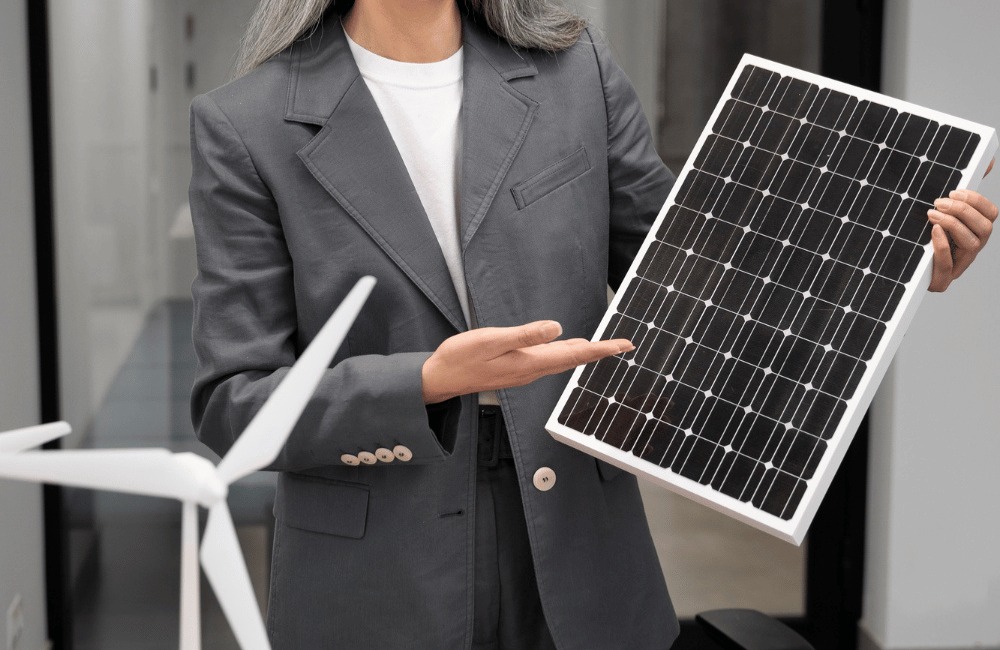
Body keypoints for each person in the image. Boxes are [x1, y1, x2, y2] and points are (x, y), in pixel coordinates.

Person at [188, 0, 997, 647]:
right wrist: (431, 379)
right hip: (376, 568)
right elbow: (235, 403)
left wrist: (886, 269)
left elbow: (693, 271)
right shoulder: (247, 124)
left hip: (578, 526)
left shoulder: (574, 72)